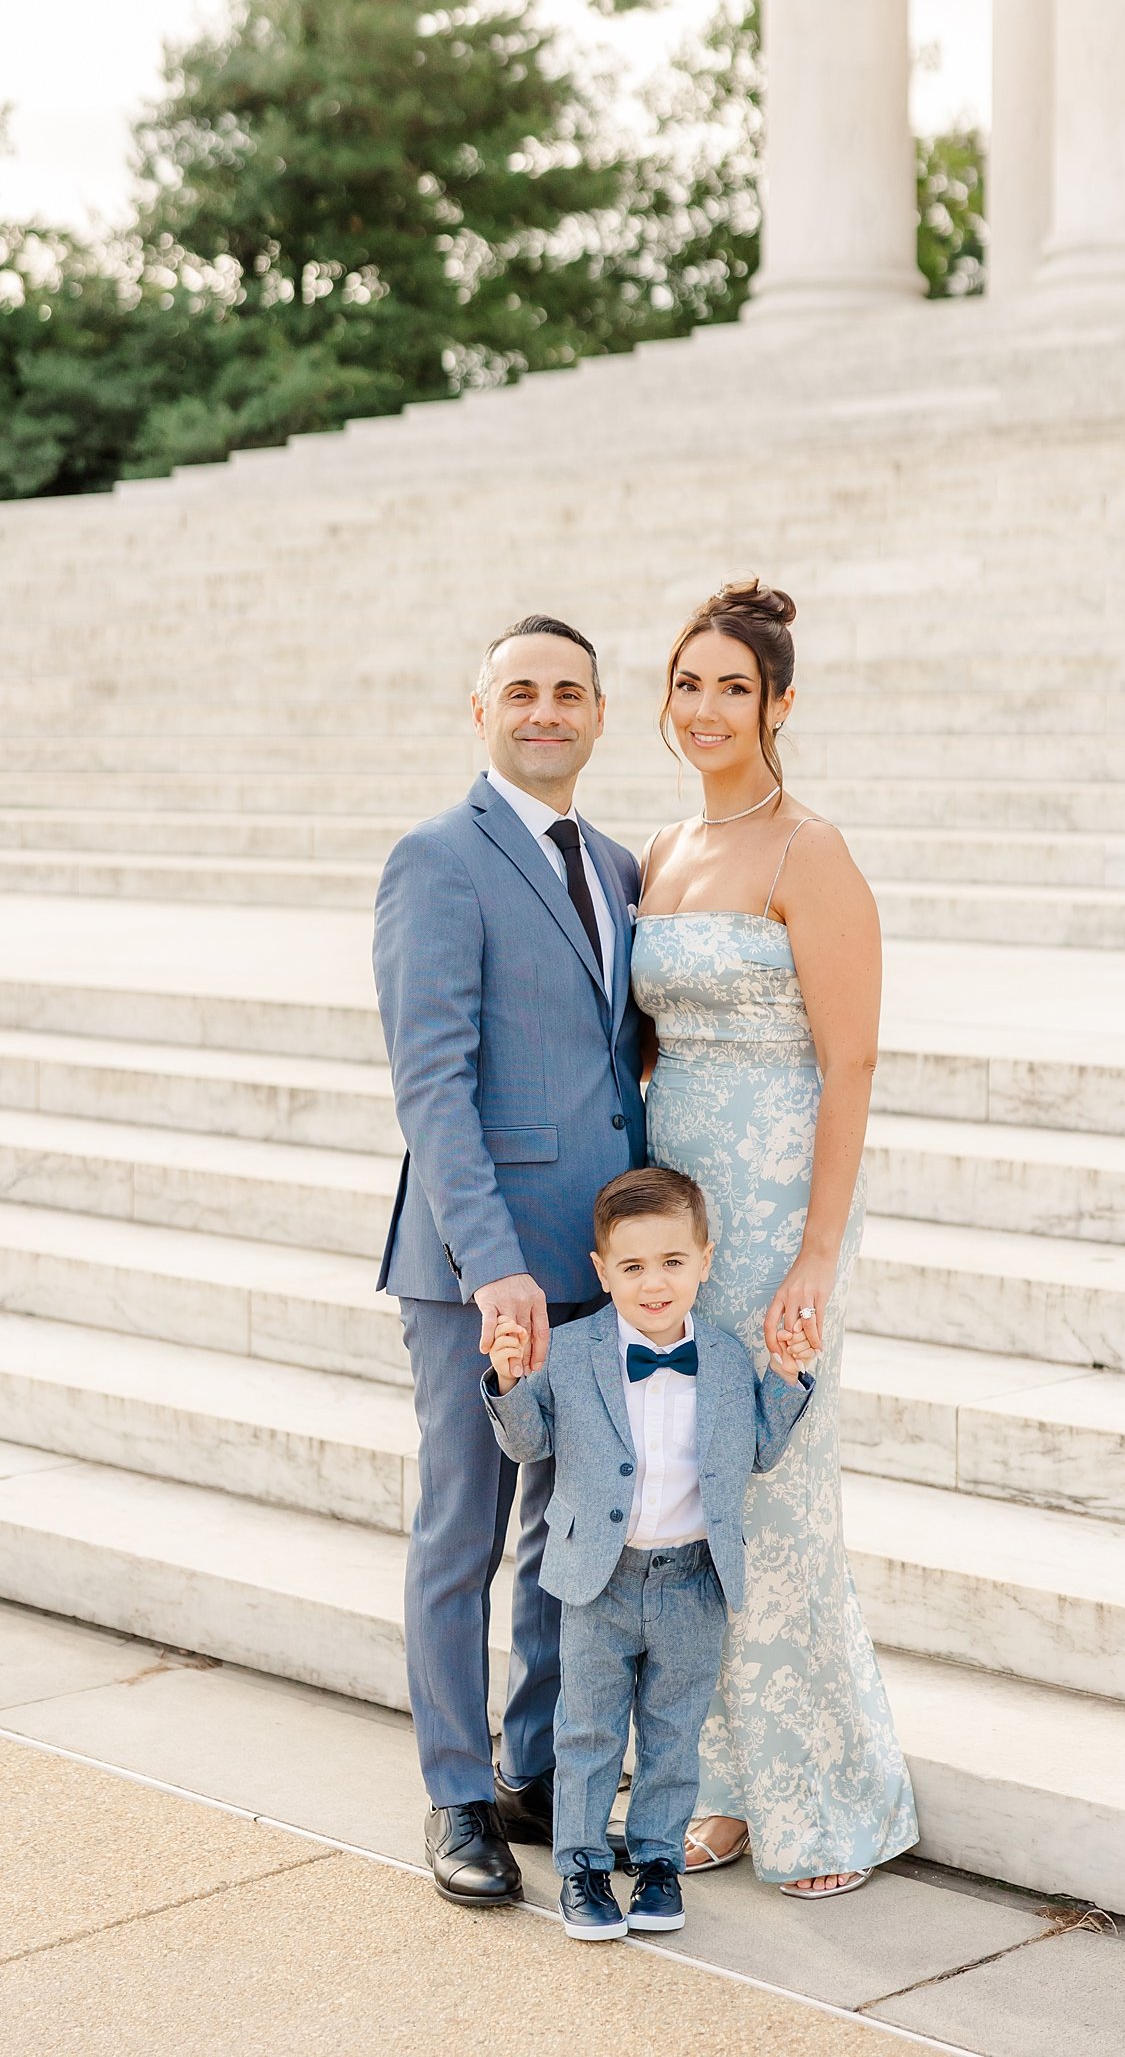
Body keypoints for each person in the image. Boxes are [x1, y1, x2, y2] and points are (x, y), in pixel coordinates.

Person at [630, 579, 919, 1899]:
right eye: (687, 684)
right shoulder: (661, 855)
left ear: (779, 704)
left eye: (731, 687)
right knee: (691, 1490)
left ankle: (824, 1789)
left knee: (777, 1492)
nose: (706, 708)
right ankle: (722, 1784)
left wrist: (817, 1253)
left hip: (780, 1204)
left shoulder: (813, 851)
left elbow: (849, 1064)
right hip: (677, 1209)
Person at [372, 614, 646, 1907]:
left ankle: (533, 1768)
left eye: (570, 691)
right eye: (521, 689)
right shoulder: (437, 859)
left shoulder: (623, 864)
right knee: (463, 1531)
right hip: (479, 1268)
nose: (548, 709)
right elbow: (432, 1083)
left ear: (599, 714)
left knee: (565, 1535)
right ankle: (455, 1791)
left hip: (595, 1258)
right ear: (476, 709)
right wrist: (492, 1266)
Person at [481, 1165, 816, 1940]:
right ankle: (582, 1869)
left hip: (693, 1579)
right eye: (632, 1267)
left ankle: (660, 1862)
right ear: (602, 1273)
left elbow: (759, 1453)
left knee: (673, 1731)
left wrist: (789, 1377)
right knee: (589, 1731)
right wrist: (509, 1380)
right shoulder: (569, 1350)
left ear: (705, 1258)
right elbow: (529, 1445)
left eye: (672, 1262)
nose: (654, 1283)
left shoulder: (730, 1360)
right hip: (600, 1582)